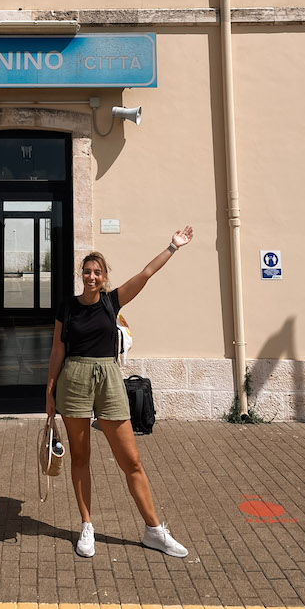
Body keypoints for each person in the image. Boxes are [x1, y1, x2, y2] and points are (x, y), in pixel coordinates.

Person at [45, 228, 194, 559]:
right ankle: (86, 526)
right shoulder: (66, 308)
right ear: (81, 275)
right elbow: (57, 350)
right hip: (74, 380)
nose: (91, 276)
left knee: (132, 461)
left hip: (109, 379)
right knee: (81, 458)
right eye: (87, 271)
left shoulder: (112, 302)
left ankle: (154, 530)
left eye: (97, 272)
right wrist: (50, 390)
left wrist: (172, 246)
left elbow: (146, 273)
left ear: (104, 277)